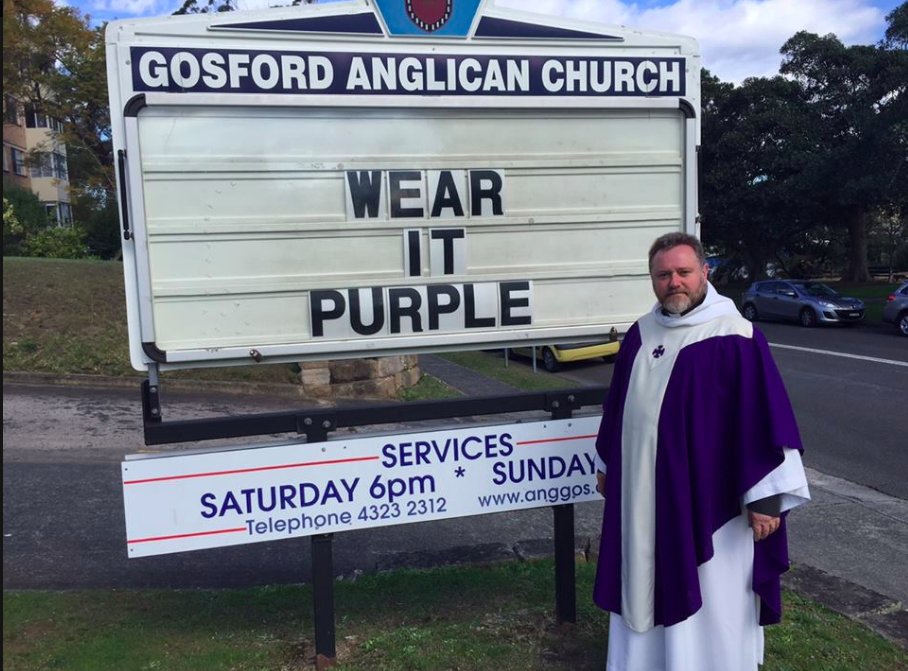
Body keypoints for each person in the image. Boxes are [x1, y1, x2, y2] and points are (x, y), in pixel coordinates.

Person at [592, 232, 810, 671]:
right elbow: (618, 409)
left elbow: (764, 416)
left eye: (683, 272)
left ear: (705, 272)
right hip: (642, 499)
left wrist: (766, 498)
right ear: (652, 279)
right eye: (663, 275)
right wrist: (608, 465)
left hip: (712, 506)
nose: (674, 282)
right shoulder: (640, 334)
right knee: (641, 579)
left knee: (714, 593)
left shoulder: (735, 336)